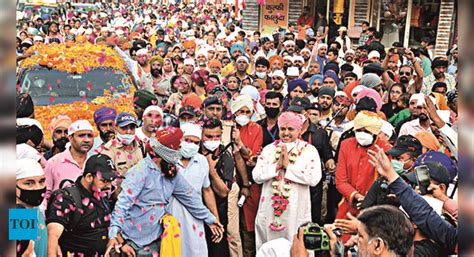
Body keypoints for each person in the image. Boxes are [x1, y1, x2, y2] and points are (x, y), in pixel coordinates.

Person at [106, 127, 224, 256]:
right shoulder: (140, 172)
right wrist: (117, 239)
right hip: (134, 242)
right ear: (167, 151)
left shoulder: (172, 172)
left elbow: (191, 198)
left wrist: (210, 219)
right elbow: (122, 205)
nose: (180, 151)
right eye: (177, 148)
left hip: (157, 239)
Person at [253, 111, 321, 250]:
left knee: (296, 243)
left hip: (296, 209)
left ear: (299, 130)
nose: (286, 133)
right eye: (283, 129)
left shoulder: (309, 150)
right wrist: (275, 167)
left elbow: (314, 178)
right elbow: (256, 176)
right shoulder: (269, 149)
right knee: (269, 246)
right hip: (269, 209)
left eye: (291, 129)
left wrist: (289, 168)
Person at [46, 154, 122, 256]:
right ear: (89, 177)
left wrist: (112, 240)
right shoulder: (67, 198)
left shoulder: (101, 195)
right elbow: (52, 236)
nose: (108, 186)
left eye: (111, 181)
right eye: (104, 181)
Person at [335, 111, 391, 226]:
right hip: (348, 206)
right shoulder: (346, 145)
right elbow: (340, 181)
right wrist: (356, 196)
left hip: (375, 209)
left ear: (375, 133)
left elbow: (387, 180)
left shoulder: (385, 149)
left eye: (366, 131)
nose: (361, 134)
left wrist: (368, 200)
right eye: (359, 130)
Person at [201, 118, 246, 257]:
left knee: (220, 243)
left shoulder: (225, 155)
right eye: (209, 136)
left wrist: (210, 170)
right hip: (196, 208)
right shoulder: (193, 152)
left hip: (220, 207)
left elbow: (223, 192)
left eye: (217, 136)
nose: (213, 140)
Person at [230, 95, 263, 257]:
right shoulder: (227, 127)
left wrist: (240, 144)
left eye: (247, 111)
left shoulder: (256, 128)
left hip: (251, 183)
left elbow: (253, 157)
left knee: (249, 224)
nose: (243, 114)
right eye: (240, 111)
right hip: (229, 181)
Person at [44, 120, 94, 197]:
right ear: (70, 138)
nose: (86, 140)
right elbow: (45, 194)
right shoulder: (54, 162)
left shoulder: (96, 161)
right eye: (81, 135)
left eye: (90, 136)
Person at [16, 159, 48, 257]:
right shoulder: (20, 214)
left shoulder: (36, 208)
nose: (37, 187)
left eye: (42, 181)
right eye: (29, 183)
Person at [100, 112, 143, 176]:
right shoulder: (108, 151)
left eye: (132, 128)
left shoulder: (141, 146)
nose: (128, 132)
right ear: (116, 128)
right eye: (124, 127)